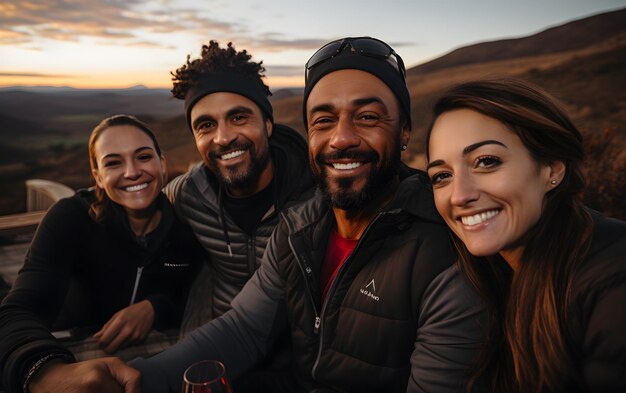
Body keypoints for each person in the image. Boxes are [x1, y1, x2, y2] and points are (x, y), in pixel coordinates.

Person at [130, 36, 485, 393]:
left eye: (367, 117)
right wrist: (133, 378)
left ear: (404, 130)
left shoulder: (446, 252)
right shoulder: (299, 226)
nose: (341, 138)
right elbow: (243, 329)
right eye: (324, 120)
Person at [425, 78, 626, 392]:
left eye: (486, 162)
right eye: (442, 176)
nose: (459, 195)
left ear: (552, 169)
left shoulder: (612, 284)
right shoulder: (488, 277)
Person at [0, 115, 203, 393]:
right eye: (113, 162)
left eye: (143, 157)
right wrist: (45, 372)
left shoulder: (187, 228)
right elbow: (18, 310)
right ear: (97, 176)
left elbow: (196, 297)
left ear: (162, 163)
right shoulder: (71, 218)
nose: (132, 172)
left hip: (150, 359)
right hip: (69, 343)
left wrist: (156, 307)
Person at [166, 40, 315, 391]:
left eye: (238, 117)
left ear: (267, 122)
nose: (224, 137)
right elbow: (122, 212)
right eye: (205, 125)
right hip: (219, 361)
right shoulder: (187, 194)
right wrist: (153, 305)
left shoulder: (317, 196)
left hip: (302, 367)